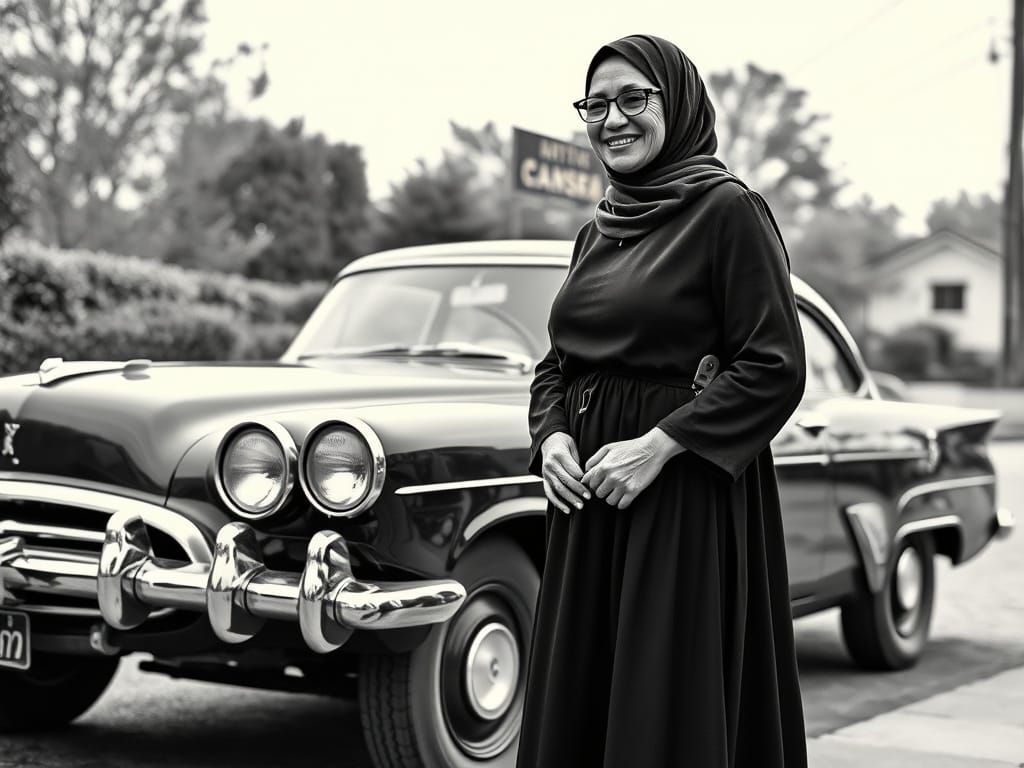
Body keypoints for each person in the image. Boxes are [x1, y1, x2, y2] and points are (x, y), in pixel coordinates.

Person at [517, 34, 809, 768]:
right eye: (595, 105)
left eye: (633, 98)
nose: (612, 119)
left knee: (660, 704)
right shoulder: (595, 230)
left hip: (679, 502)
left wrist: (660, 446)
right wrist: (552, 438)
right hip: (589, 505)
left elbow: (774, 366)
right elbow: (558, 363)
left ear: (675, 104)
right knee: (584, 701)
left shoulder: (729, 211)